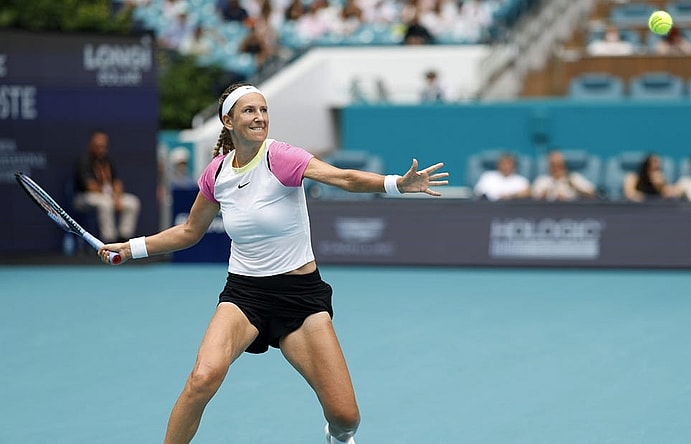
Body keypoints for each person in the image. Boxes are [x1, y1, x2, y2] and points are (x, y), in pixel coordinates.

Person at [98, 82, 449, 444]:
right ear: (228, 121)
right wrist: (131, 248)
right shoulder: (216, 173)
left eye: (263, 110)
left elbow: (343, 177)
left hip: (300, 298)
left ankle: (337, 436)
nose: (259, 117)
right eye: (249, 110)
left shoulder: (280, 157)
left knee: (346, 417)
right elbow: (190, 231)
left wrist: (395, 184)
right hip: (244, 295)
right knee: (202, 378)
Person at [73, 130, 141, 243]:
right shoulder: (84, 161)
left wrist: (117, 198)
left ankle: (123, 238)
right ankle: (109, 240)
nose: (102, 149)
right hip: (84, 197)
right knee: (105, 203)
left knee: (132, 202)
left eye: (104, 146)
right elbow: (90, 186)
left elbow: (116, 182)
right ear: (92, 146)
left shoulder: (107, 160)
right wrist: (111, 197)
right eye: (99, 146)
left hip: (109, 196)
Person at [531, 150, 596, 201]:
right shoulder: (542, 180)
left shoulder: (574, 178)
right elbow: (534, 198)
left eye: (559, 164)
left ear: (563, 164)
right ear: (549, 166)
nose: (556, 168)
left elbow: (592, 193)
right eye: (553, 165)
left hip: (572, 212)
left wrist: (574, 186)